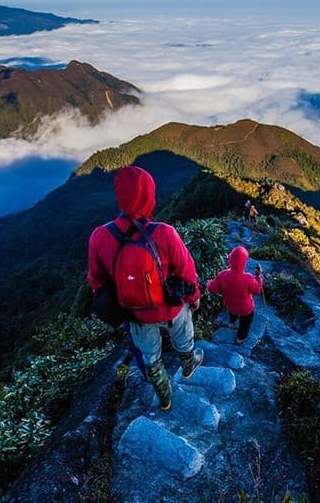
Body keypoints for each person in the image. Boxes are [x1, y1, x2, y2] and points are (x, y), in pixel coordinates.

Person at [87, 166, 203, 411]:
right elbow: (187, 270)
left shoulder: (99, 236)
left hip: (135, 314)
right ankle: (189, 364)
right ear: (149, 195)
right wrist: (194, 297)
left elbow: (96, 281)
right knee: (184, 334)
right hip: (171, 308)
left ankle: (164, 397)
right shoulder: (164, 233)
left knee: (150, 356)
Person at [206, 246, 263, 344]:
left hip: (231, 306)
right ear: (244, 262)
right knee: (246, 322)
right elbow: (257, 290)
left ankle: (232, 323)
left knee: (233, 312)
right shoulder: (248, 278)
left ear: (230, 260)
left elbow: (212, 289)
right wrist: (258, 277)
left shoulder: (222, 275)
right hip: (246, 308)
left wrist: (208, 283)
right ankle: (240, 338)